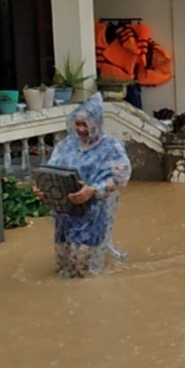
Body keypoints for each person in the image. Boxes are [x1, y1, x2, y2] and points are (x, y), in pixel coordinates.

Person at [33, 93, 132, 277]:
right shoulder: (67, 144)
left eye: (84, 124)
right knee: (65, 266)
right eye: (77, 124)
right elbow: (52, 170)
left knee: (84, 267)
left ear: (97, 122)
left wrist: (94, 189)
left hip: (93, 212)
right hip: (65, 213)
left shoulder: (110, 147)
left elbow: (121, 174)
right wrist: (42, 187)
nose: (80, 129)